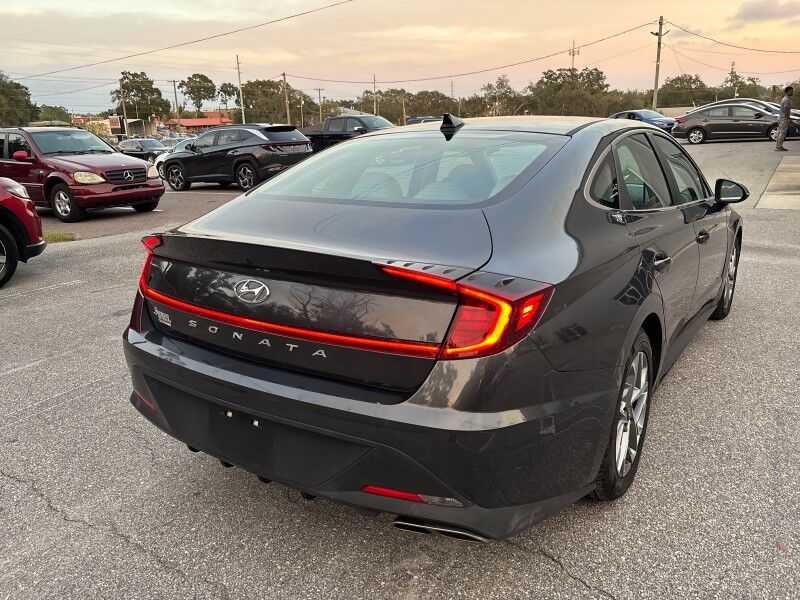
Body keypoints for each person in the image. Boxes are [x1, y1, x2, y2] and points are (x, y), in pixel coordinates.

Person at [775, 85, 794, 152]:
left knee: (780, 132)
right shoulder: (786, 100)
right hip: (783, 118)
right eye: (791, 91)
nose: (792, 92)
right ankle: (779, 147)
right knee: (782, 132)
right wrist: (788, 118)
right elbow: (786, 109)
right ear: (788, 91)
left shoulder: (784, 98)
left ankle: (778, 146)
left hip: (781, 117)